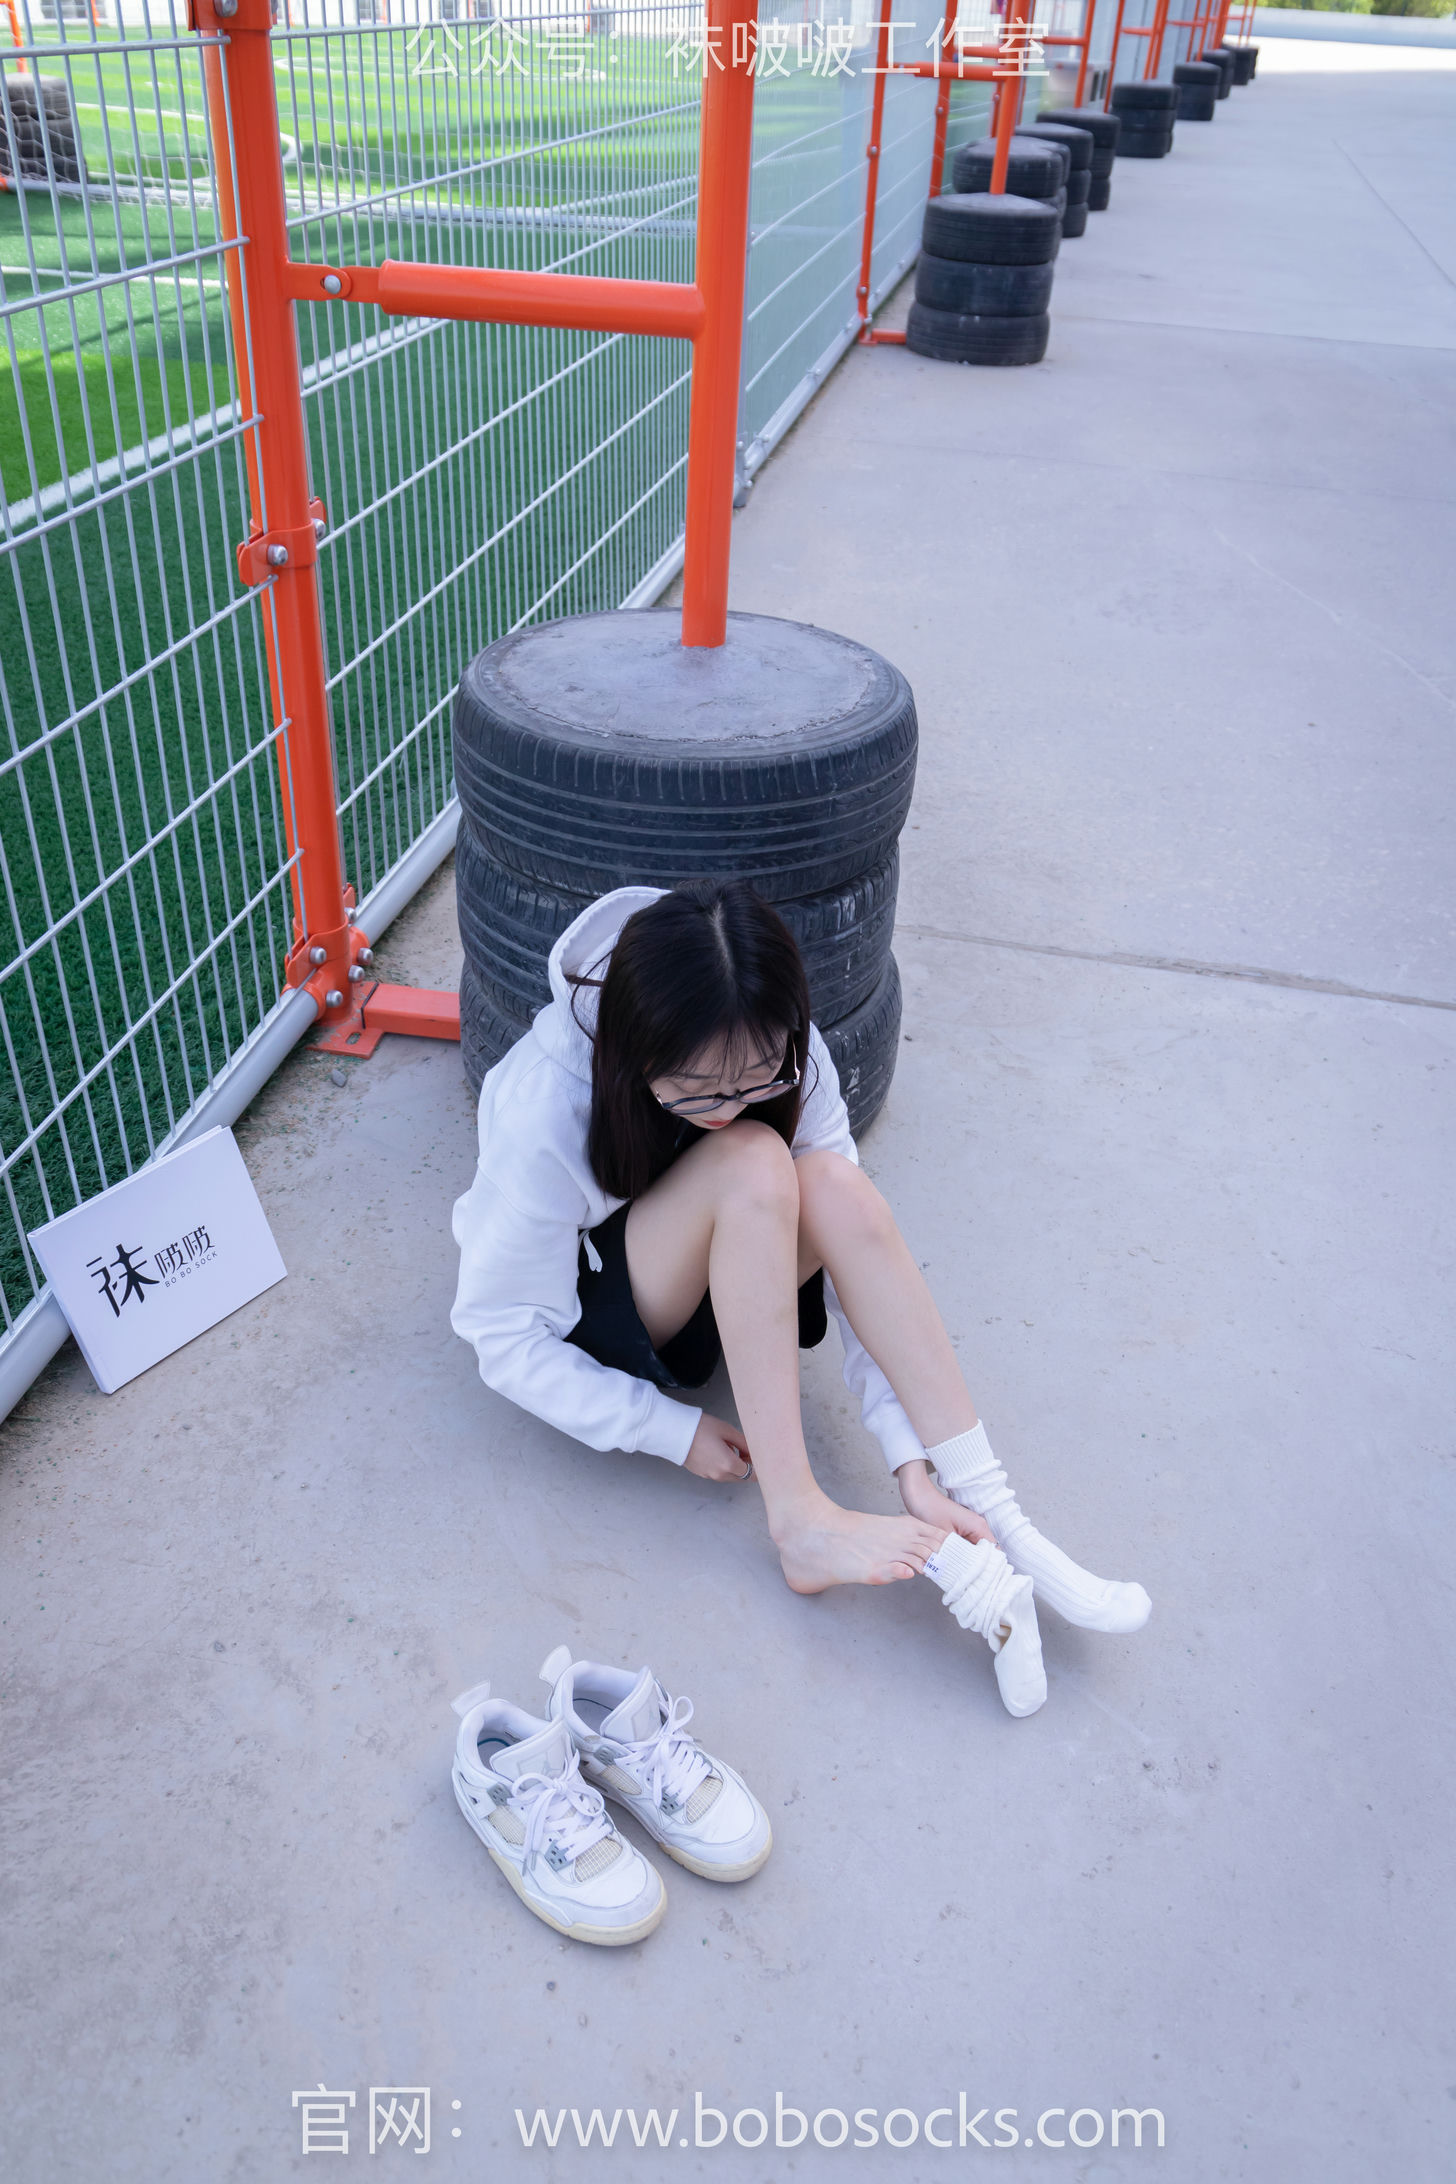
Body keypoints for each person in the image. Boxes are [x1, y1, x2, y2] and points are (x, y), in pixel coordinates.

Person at [451, 880, 1150, 1718]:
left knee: (835, 1186)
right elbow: (500, 1331)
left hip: (727, 1264)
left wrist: (912, 1464)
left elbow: (855, 1253)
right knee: (753, 1158)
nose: (728, 1105)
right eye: (696, 1090)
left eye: (756, 1079)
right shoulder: (545, 1101)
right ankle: (800, 1521)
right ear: (634, 1052)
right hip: (608, 1312)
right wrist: (663, 1428)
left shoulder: (774, 1039)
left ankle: (988, 1501)